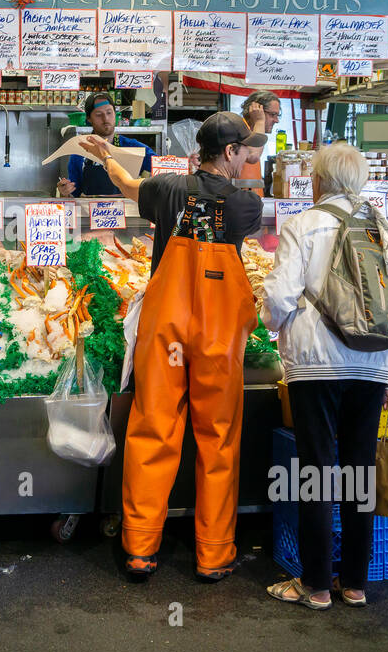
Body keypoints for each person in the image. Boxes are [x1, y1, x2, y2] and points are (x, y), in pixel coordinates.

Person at [79, 113, 265, 581]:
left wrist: (105, 157)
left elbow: (125, 184)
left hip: (167, 328)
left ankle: (140, 547)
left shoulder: (165, 189)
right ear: (229, 153)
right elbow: (229, 219)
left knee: (153, 427)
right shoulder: (246, 205)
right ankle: (214, 552)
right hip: (218, 335)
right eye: (244, 149)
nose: (247, 155)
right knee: (218, 437)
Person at [260, 143, 388, 609]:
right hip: (372, 366)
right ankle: (353, 583)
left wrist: (271, 324)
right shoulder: (384, 231)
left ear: (319, 181)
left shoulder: (302, 225)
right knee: (358, 471)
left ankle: (313, 586)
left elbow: (278, 299)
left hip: (316, 366)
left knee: (316, 471)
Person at [58, 92, 153, 197]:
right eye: (99, 114)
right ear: (89, 118)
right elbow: (74, 194)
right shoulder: (80, 154)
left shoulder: (134, 147)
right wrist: (65, 191)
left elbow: (160, 169)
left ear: (115, 114)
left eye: (109, 112)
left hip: (128, 211)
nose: (106, 119)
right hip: (92, 211)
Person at [241, 90, 281, 186]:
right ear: (257, 110)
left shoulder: (251, 132)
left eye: (277, 115)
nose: (276, 120)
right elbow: (253, 156)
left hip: (250, 198)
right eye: (272, 115)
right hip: (238, 199)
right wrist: (260, 121)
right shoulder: (238, 130)